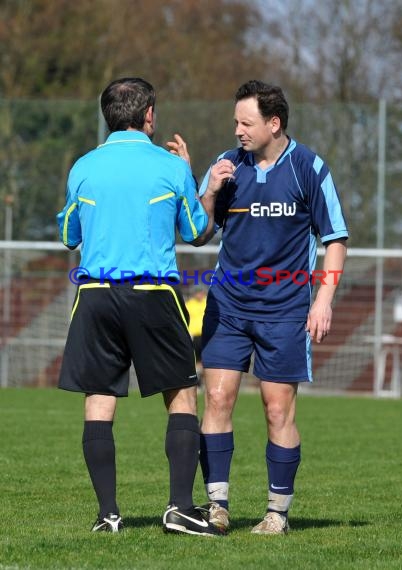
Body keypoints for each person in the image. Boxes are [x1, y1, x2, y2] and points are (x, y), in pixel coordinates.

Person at [167, 80, 348, 535]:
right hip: (227, 307)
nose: (238, 130)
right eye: (235, 122)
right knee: (219, 397)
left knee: (276, 409)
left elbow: (336, 240)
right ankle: (217, 506)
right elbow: (199, 234)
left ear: (274, 123)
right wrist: (207, 189)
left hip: (285, 311)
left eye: (246, 122)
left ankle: (276, 515)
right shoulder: (227, 166)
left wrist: (323, 299)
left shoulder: (309, 168)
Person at [56, 77, 223, 536]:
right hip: (152, 294)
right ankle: (180, 509)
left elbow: (69, 235)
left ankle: (108, 514)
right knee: (182, 396)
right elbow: (193, 229)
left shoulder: (83, 167)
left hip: (93, 296)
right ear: (148, 115)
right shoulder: (167, 167)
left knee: (99, 400)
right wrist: (190, 175)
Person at [185, 286, 207, 380]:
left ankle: (206, 381)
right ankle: (198, 381)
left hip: (206, 334)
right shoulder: (189, 304)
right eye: (197, 292)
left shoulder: (208, 302)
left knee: (206, 359)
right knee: (196, 359)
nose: (199, 294)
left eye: (201, 292)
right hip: (194, 336)